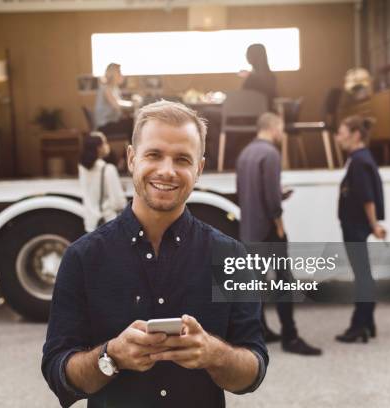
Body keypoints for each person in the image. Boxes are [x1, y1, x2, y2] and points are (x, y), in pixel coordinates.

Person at [42, 101, 268, 407]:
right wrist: (112, 356)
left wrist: (214, 354)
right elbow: (59, 374)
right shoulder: (83, 257)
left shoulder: (230, 256)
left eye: (182, 159)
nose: (167, 170)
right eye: (154, 155)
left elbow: (254, 371)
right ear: (132, 159)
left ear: (199, 169)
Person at [236, 112, 322, 356]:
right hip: (269, 230)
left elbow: (244, 191)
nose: (282, 133)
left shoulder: (245, 153)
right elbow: (272, 200)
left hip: (249, 229)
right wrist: (280, 225)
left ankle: (261, 330)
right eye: (281, 128)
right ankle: (290, 337)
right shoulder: (271, 153)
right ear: (273, 128)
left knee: (256, 283)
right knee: (285, 282)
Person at [334, 115, 386, 343]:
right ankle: (368, 323)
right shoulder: (361, 159)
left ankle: (359, 325)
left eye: (342, 133)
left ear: (355, 135)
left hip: (355, 226)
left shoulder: (359, 161)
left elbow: (367, 198)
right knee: (364, 274)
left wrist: (375, 225)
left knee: (363, 276)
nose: (338, 138)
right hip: (356, 225)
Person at [78, 131, 127, 232]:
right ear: (98, 148)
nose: (107, 145)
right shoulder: (108, 169)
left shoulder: (82, 168)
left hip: (91, 224)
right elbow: (118, 203)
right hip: (107, 223)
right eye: (105, 142)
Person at [94, 63, 134, 140]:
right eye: (119, 72)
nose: (122, 75)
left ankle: (130, 147)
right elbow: (117, 105)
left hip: (111, 123)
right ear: (113, 74)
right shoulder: (106, 88)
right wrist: (133, 104)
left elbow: (120, 107)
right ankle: (132, 148)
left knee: (130, 120)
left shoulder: (115, 88)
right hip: (104, 127)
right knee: (131, 122)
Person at [240, 43, 276, 110]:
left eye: (248, 53)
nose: (246, 56)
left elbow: (245, 98)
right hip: (264, 112)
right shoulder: (270, 76)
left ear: (255, 56)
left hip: (251, 113)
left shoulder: (253, 78)